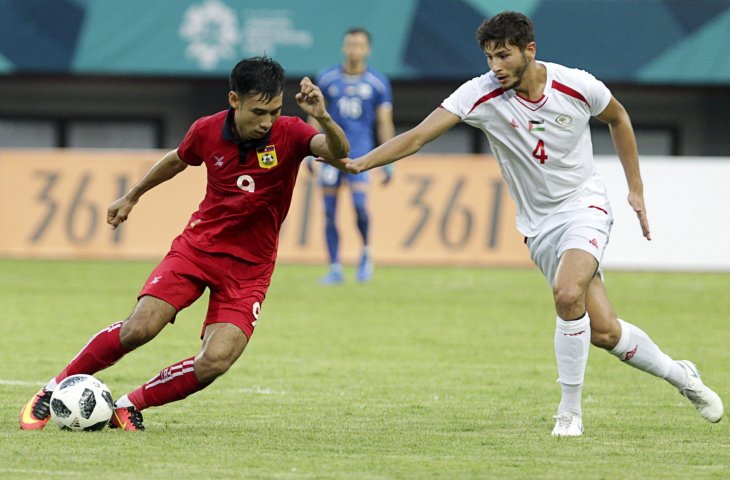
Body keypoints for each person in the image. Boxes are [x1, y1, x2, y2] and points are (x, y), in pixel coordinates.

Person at [323, 12, 724, 436]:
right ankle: (682, 376)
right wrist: (364, 162)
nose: (495, 66)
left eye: (503, 55)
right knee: (603, 332)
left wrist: (636, 189)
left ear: (529, 51)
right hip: (539, 227)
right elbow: (420, 135)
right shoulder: (479, 94)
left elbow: (619, 118)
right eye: (489, 57)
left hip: (585, 205)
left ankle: (569, 413)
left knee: (567, 293)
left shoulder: (576, 85)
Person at [19, 56, 349, 431]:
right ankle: (51, 390)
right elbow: (177, 160)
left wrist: (322, 116)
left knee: (216, 360)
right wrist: (132, 196)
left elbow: (339, 151)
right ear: (234, 99)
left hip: (250, 269)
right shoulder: (206, 131)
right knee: (138, 328)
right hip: (198, 250)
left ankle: (127, 406)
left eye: (274, 111)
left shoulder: (291, 133)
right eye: (259, 112)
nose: (267, 122)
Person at [309, 27, 395, 284]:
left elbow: (384, 122)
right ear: (343, 47)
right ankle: (335, 266)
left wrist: (388, 159)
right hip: (329, 155)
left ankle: (366, 253)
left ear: (367, 49)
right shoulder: (326, 79)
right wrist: (307, 152)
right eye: (350, 44)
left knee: (359, 206)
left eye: (359, 45)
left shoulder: (378, 82)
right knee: (328, 211)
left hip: (361, 155)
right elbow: (314, 116)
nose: (354, 49)